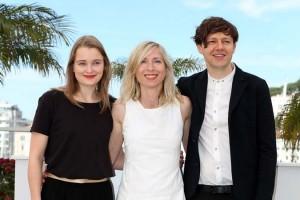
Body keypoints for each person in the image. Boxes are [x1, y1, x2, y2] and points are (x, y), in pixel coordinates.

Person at [177, 16, 277, 200]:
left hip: (242, 194)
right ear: (200, 47)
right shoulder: (187, 86)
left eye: (226, 41)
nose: (220, 47)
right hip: (197, 193)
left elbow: (267, 149)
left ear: (234, 46)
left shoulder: (256, 87)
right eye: (212, 41)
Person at [28, 35, 115, 200]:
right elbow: (35, 156)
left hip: (100, 193)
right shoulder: (51, 100)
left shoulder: (114, 106)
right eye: (82, 63)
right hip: (57, 192)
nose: (89, 70)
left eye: (96, 63)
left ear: (104, 66)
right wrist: (35, 197)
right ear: (72, 67)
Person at [109, 41, 192, 200]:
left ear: (166, 68)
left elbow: (194, 157)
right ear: (133, 69)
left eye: (157, 61)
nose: (151, 68)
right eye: (143, 61)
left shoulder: (183, 106)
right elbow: (110, 160)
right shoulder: (121, 108)